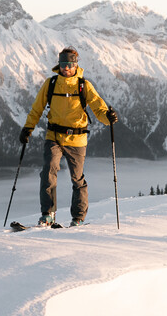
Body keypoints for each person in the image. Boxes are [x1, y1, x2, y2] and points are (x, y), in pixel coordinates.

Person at [19, 47, 117, 226]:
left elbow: (98, 106)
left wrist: (108, 119)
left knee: (77, 178)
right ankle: (48, 214)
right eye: (63, 64)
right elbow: (37, 108)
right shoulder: (51, 84)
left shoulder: (83, 85)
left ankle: (78, 217)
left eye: (70, 65)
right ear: (59, 64)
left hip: (77, 138)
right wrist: (28, 128)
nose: (66, 68)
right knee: (48, 172)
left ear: (76, 65)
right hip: (54, 135)